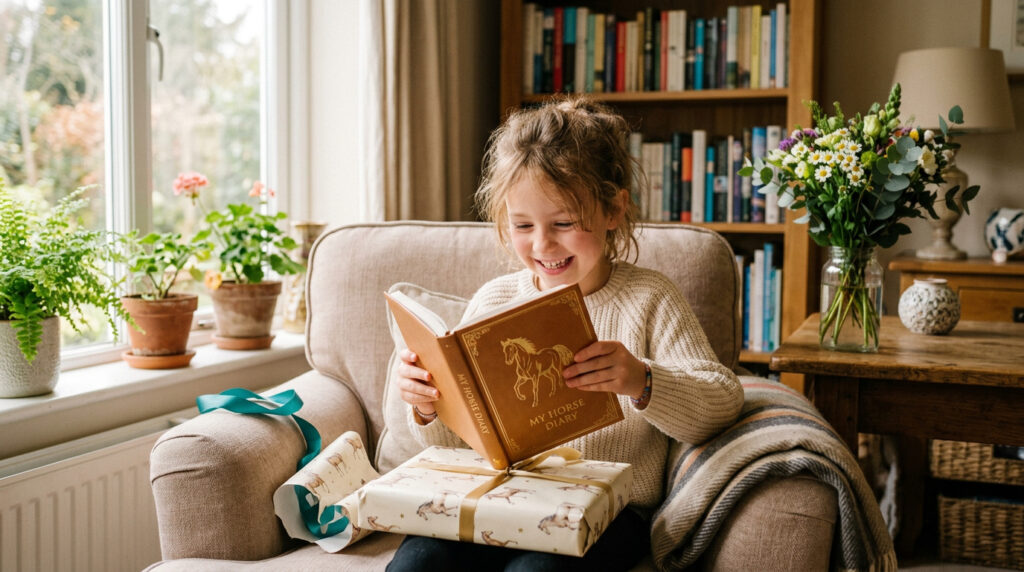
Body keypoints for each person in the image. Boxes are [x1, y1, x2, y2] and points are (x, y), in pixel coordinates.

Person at [387, 96, 743, 572]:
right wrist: (428, 406)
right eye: (522, 226)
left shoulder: (650, 299)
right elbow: (456, 449)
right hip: (504, 498)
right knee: (417, 564)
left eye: (564, 223)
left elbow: (722, 401)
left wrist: (643, 380)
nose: (542, 244)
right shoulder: (494, 301)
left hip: (611, 509)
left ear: (613, 210)